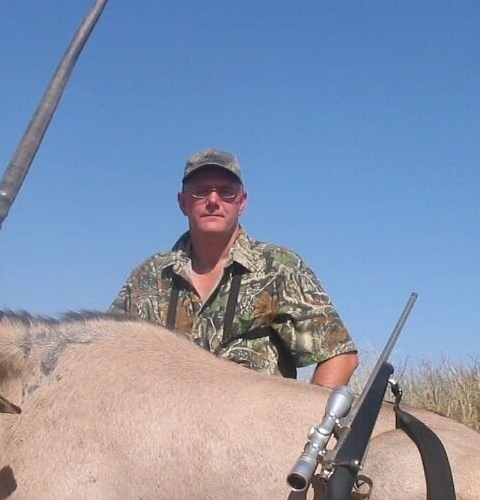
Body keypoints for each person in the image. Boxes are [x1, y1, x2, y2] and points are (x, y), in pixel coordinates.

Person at [110, 148, 359, 388]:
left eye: (227, 192)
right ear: (182, 202)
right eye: (200, 191)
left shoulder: (279, 268)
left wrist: (306, 427)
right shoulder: (150, 276)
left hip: (253, 428)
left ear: (242, 203)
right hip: (162, 425)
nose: (213, 200)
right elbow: (106, 356)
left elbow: (340, 357)